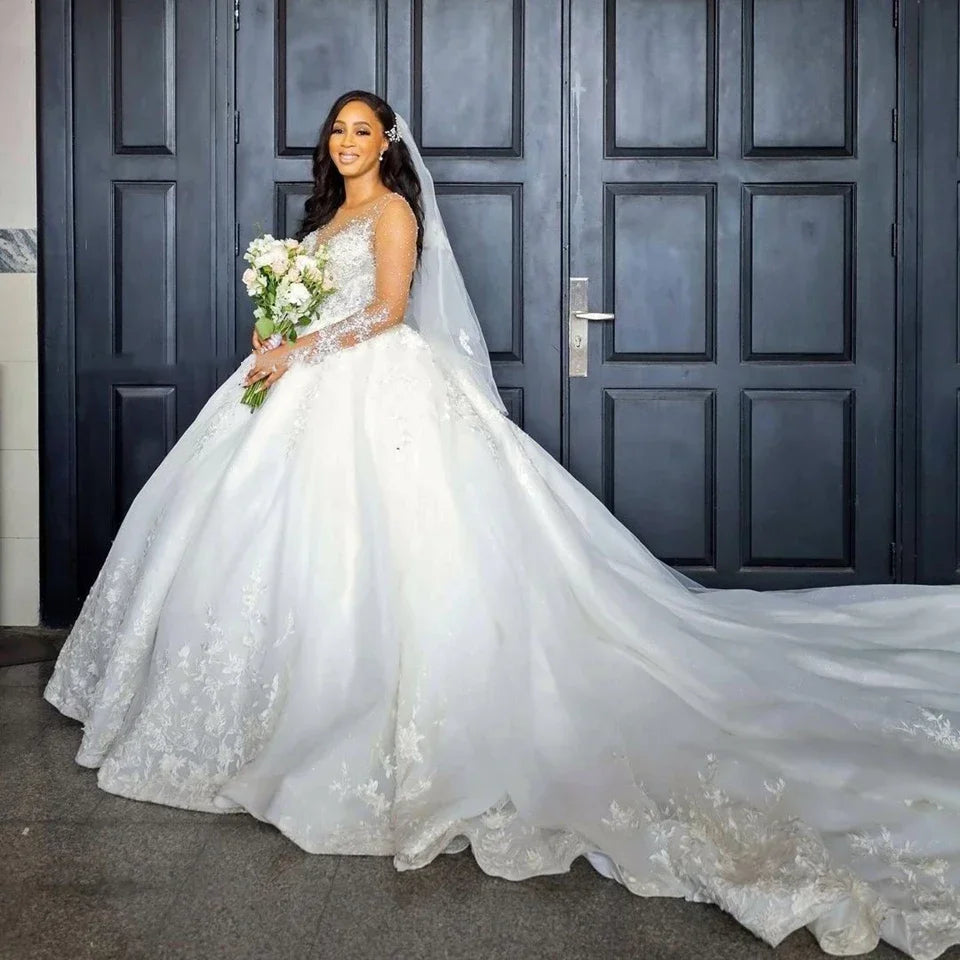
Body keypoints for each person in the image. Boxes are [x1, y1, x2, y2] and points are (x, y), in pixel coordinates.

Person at [44, 90, 960, 960]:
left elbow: (387, 312)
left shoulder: (393, 214)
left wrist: (301, 347)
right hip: (305, 387)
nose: (348, 143)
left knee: (395, 549)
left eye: (363, 131)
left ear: (388, 144)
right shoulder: (322, 221)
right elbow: (324, 304)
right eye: (338, 131)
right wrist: (277, 335)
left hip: (375, 390)